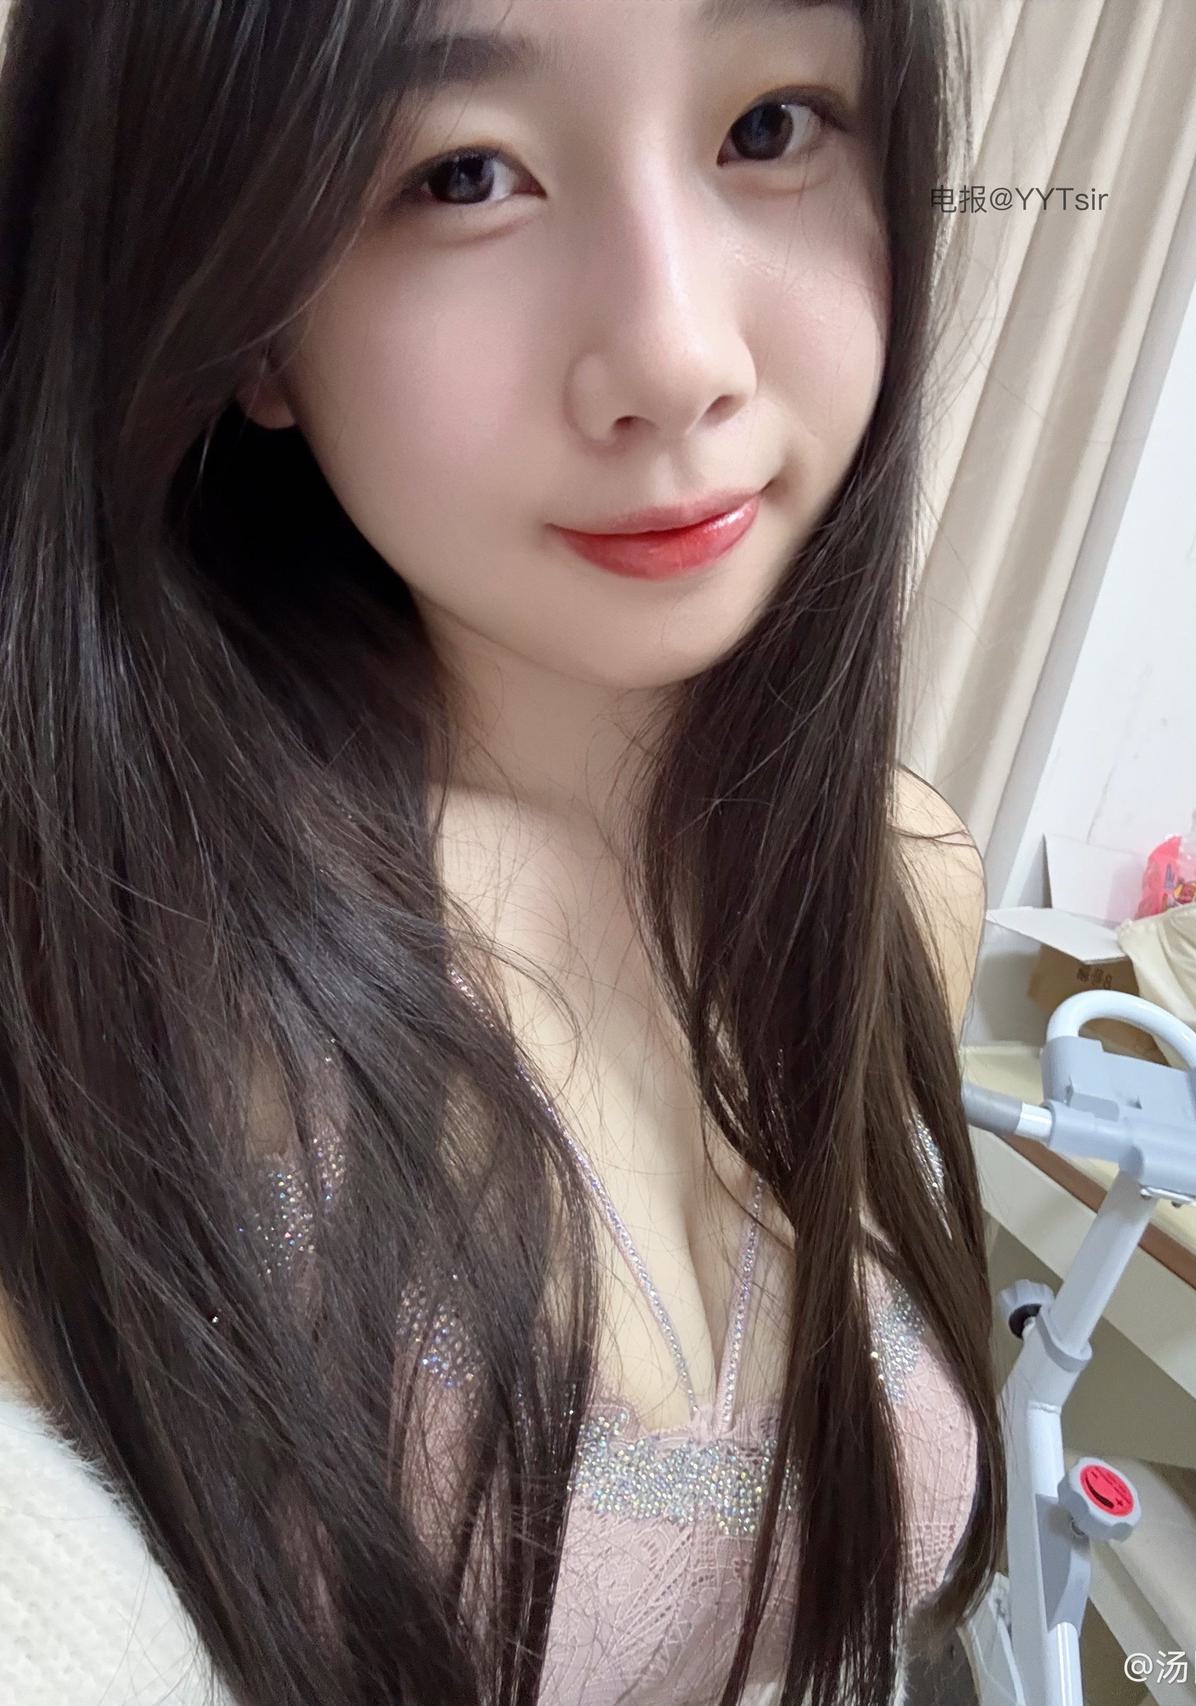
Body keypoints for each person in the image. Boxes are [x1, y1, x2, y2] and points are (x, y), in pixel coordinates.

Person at [0, 0, 1005, 1702]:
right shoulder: (123, 967)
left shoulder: (906, 877)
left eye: (770, 127)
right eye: (463, 174)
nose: (677, 355)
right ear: (249, 314)